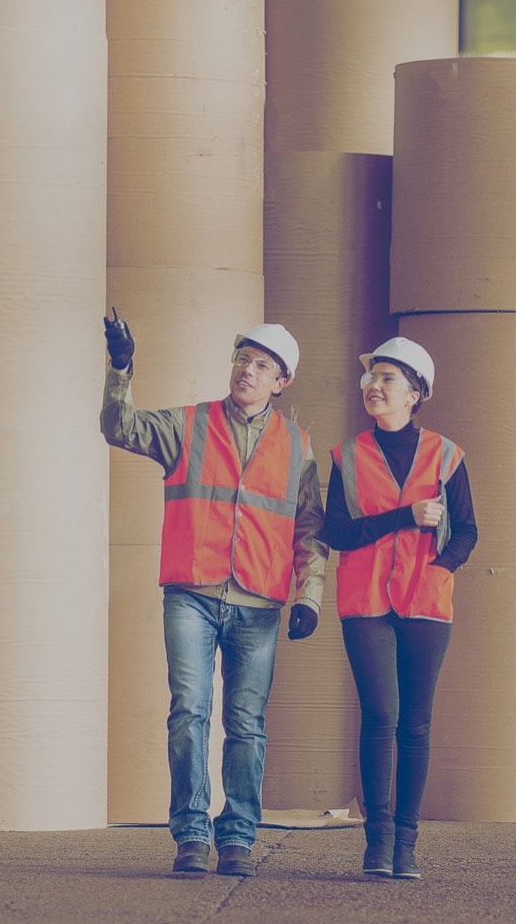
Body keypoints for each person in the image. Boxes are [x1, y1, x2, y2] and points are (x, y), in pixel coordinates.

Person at [100, 311, 327, 878]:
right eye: (243, 360)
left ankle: (239, 838)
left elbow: (309, 530)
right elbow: (118, 427)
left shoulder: (298, 445)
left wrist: (310, 596)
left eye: (262, 366)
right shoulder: (189, 424)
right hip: (191, 594)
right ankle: (193, 834)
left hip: (258, 602)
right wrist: (121, 367)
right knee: (189, 714)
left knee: (246, 723)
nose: (247, 371)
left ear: (282, 382)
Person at [321, 336, 478, 880]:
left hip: (427, 603)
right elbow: (336, 532)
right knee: (380, 718)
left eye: (388, 379)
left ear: (415, 394)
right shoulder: (346, 457)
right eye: (371, 378)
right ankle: (377, 842)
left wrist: (440, 568)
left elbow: (469, 532)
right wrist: (404, 516)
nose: (374, 387)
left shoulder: (447, 455)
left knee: (415, 724)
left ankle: (406, 844)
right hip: (364, 602)